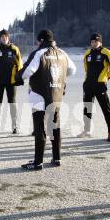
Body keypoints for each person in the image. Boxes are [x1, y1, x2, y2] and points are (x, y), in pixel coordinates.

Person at [17, 29, 76, 170]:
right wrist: (59, 78)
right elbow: (72, 70)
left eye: (37, 41)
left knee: (40, 128)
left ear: (41, 40)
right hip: (56, 94)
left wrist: (17, 76)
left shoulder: (39, 53)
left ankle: (38, 162)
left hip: (39, 95)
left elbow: (26, 73)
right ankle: (57, 158)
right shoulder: (62, 53)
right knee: (55, 127)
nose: (37, 43)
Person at [77, 33, 110, 142]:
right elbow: (86, 68)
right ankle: (87, 130)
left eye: (96, 41)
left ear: (100, 42)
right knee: (87, 108)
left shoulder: (107, 53)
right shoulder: (87, 53)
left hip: (100, 86)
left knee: (106, 109)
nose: (93, 43)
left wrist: (105, 78)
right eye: (92, 41)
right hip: (88, 85)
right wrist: (87, 81)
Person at [0, 29, 23, 134]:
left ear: (9, 37)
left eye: (6, 36)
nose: (4, 38)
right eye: (2, 37)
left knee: (12, 102)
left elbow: (19, 64)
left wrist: (19, 78)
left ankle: (14, 126)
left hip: (11, 82)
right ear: (0, 38)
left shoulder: (14, 49)